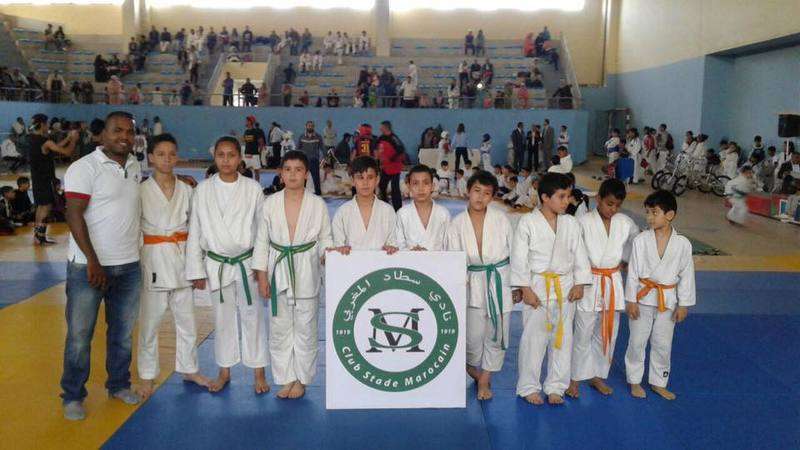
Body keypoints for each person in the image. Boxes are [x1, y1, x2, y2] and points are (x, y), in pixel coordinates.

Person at [60, 112, 142, 420]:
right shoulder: (84, 168)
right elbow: (73, 215)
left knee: (121, 333)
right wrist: (93, 262)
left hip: (128, 266)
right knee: (80, 336)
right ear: (102, 135)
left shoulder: (134, 166)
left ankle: (118, 384)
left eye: (129, 132)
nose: (124, 136)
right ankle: (72, 395)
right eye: (117, 130)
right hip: (88, 268)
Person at [186, 136, 269, 395]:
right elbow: (195, 230)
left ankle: (259, 371)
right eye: (221, 155)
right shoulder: (203, 190)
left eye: (231, 155)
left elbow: (262, 232)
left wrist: (260, 266)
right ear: (215, 158)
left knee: (253, 316)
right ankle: (224, 370)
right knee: (222, 320)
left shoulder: (252, 189)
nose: (226, 160)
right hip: (217, 264)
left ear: (240, 158)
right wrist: (196, 270)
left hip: (246, 263)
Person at [252, 150, 332, 400]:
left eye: (299, 169)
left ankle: (302, 379)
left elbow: (325, 238)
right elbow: (261, 242)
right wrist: (262, 277)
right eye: (288, 169)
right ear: (280, 174)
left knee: (306, 329)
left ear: (307, 174)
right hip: (278, 269)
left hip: (306, 269)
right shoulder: (270, 203)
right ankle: (285, 377)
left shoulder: (317, 204)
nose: (293, 174)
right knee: (279, 327)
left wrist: (326, 254)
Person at [136, 134, 210, 399]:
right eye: (161, 154)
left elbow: (197, 232)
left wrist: (197, 267)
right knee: (149, 324)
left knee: (188, 322)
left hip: (182, 261)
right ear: (151, 157)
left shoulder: (188, 190)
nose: (166, 159)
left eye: (171, 154)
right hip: (153, 260)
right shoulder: (141, 190)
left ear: (177, 157)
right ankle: (147, 375)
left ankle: (189, 369)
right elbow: (134, 231)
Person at [511, 172, 592, 405]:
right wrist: (524, 288)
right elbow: (519, 258)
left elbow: (580, 253)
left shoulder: (571, 223)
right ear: (545, 197)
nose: (567, 201)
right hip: (537, 285)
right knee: (533, 339)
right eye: (562, 196)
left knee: (563, 338)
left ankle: (556, 385)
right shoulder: (527, 222)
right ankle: (528, 386)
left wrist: (579, 282)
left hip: (565, 286)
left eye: (568, 196)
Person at [564, 179, 639, 399]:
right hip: (589, 281)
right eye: (609, 204)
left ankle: (597, 375)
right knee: (583, 332)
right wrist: (577, 279)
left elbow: (637, 242)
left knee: (608, 332)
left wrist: (625, 260)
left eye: (617, 205)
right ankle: (575, 379)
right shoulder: (583, 222)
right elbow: (573, 251)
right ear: (598, 199)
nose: (613, 209)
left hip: (612, 281)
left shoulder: (625, 222)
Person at [447, 170, 516, 400]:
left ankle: (485, 380)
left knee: (497, 334)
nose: (480, 197)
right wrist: (457, 289)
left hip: (500, 279)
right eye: (476, 191)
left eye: (487, 193)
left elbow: (516, 252)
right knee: (472, 338)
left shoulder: (501, 219)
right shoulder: (456, 224)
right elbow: (453, 259)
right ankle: (474, 372)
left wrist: (518, 285)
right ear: (468, 191)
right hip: (471, 283)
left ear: (493, 197)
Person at [624, 190, 695, 400]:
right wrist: (631, 300)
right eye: (647, 213)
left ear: (670, 215)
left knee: (662, 343)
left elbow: (687, 275)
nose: (649, 218)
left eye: (654, 213)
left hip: (668, 300)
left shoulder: (683, 244)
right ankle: (634, 380)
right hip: (643, 297)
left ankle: (659, 381)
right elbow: (633, 272)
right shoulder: (641, 240)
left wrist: (684, 304)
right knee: (637, 341)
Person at [29, 114, 78, 244]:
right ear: (42, 125)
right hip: (46, 179)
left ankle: (38, 236)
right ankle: (40, 236)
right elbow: (66, 152)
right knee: (46, 207)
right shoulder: (46, 141)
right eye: (47, 124)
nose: (48, 126)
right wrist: (73, 140)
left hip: (36, 178)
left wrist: (67, 138)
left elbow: (54, 147)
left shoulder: (33, 139)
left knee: (40, 206)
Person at [331, 155, 398, 253]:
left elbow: (394, 243)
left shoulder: (388, 211)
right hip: (350, 267)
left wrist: (392, 248)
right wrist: (340, 249)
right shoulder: (342, 212)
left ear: (377, 179)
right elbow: (337, 246)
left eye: (370, 177)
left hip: (382, 267)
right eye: (360, 178)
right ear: (353, 181)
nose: (365, 183)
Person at [390, 164, 450, 250]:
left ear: (432, 186)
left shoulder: (443, 213)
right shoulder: (402, 214)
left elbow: (448, 246)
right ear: (409, 186)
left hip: (438, 262)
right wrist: (411, 252)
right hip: (410, 262)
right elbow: (398, 246)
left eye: (425, 183)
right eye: (415, 183)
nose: (421, 188)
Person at [376, 121, 405, 211]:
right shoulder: (381, 138)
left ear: (386, 127)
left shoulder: (393, 138)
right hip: (385, 167)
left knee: (395, 188)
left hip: (395, 167)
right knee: (382, 185)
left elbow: (401, 149)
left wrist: (391, 159)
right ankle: (385, 204)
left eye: (381, 127)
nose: (380, 129)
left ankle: (398, 209)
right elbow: (377, 148)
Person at [298, 121, 324, 195]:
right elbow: (298, 148)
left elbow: (322, 147)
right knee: (302, 177)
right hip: (304, 160)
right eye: (309, 126)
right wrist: (297, 159)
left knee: (316, 178)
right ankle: (301, 193)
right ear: (306, 126)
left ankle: (318, 194)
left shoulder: (318, 136)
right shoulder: (301, 136)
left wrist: (325, 157)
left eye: (312, 126)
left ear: (314, 127)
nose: (310, 127)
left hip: (314, 160)